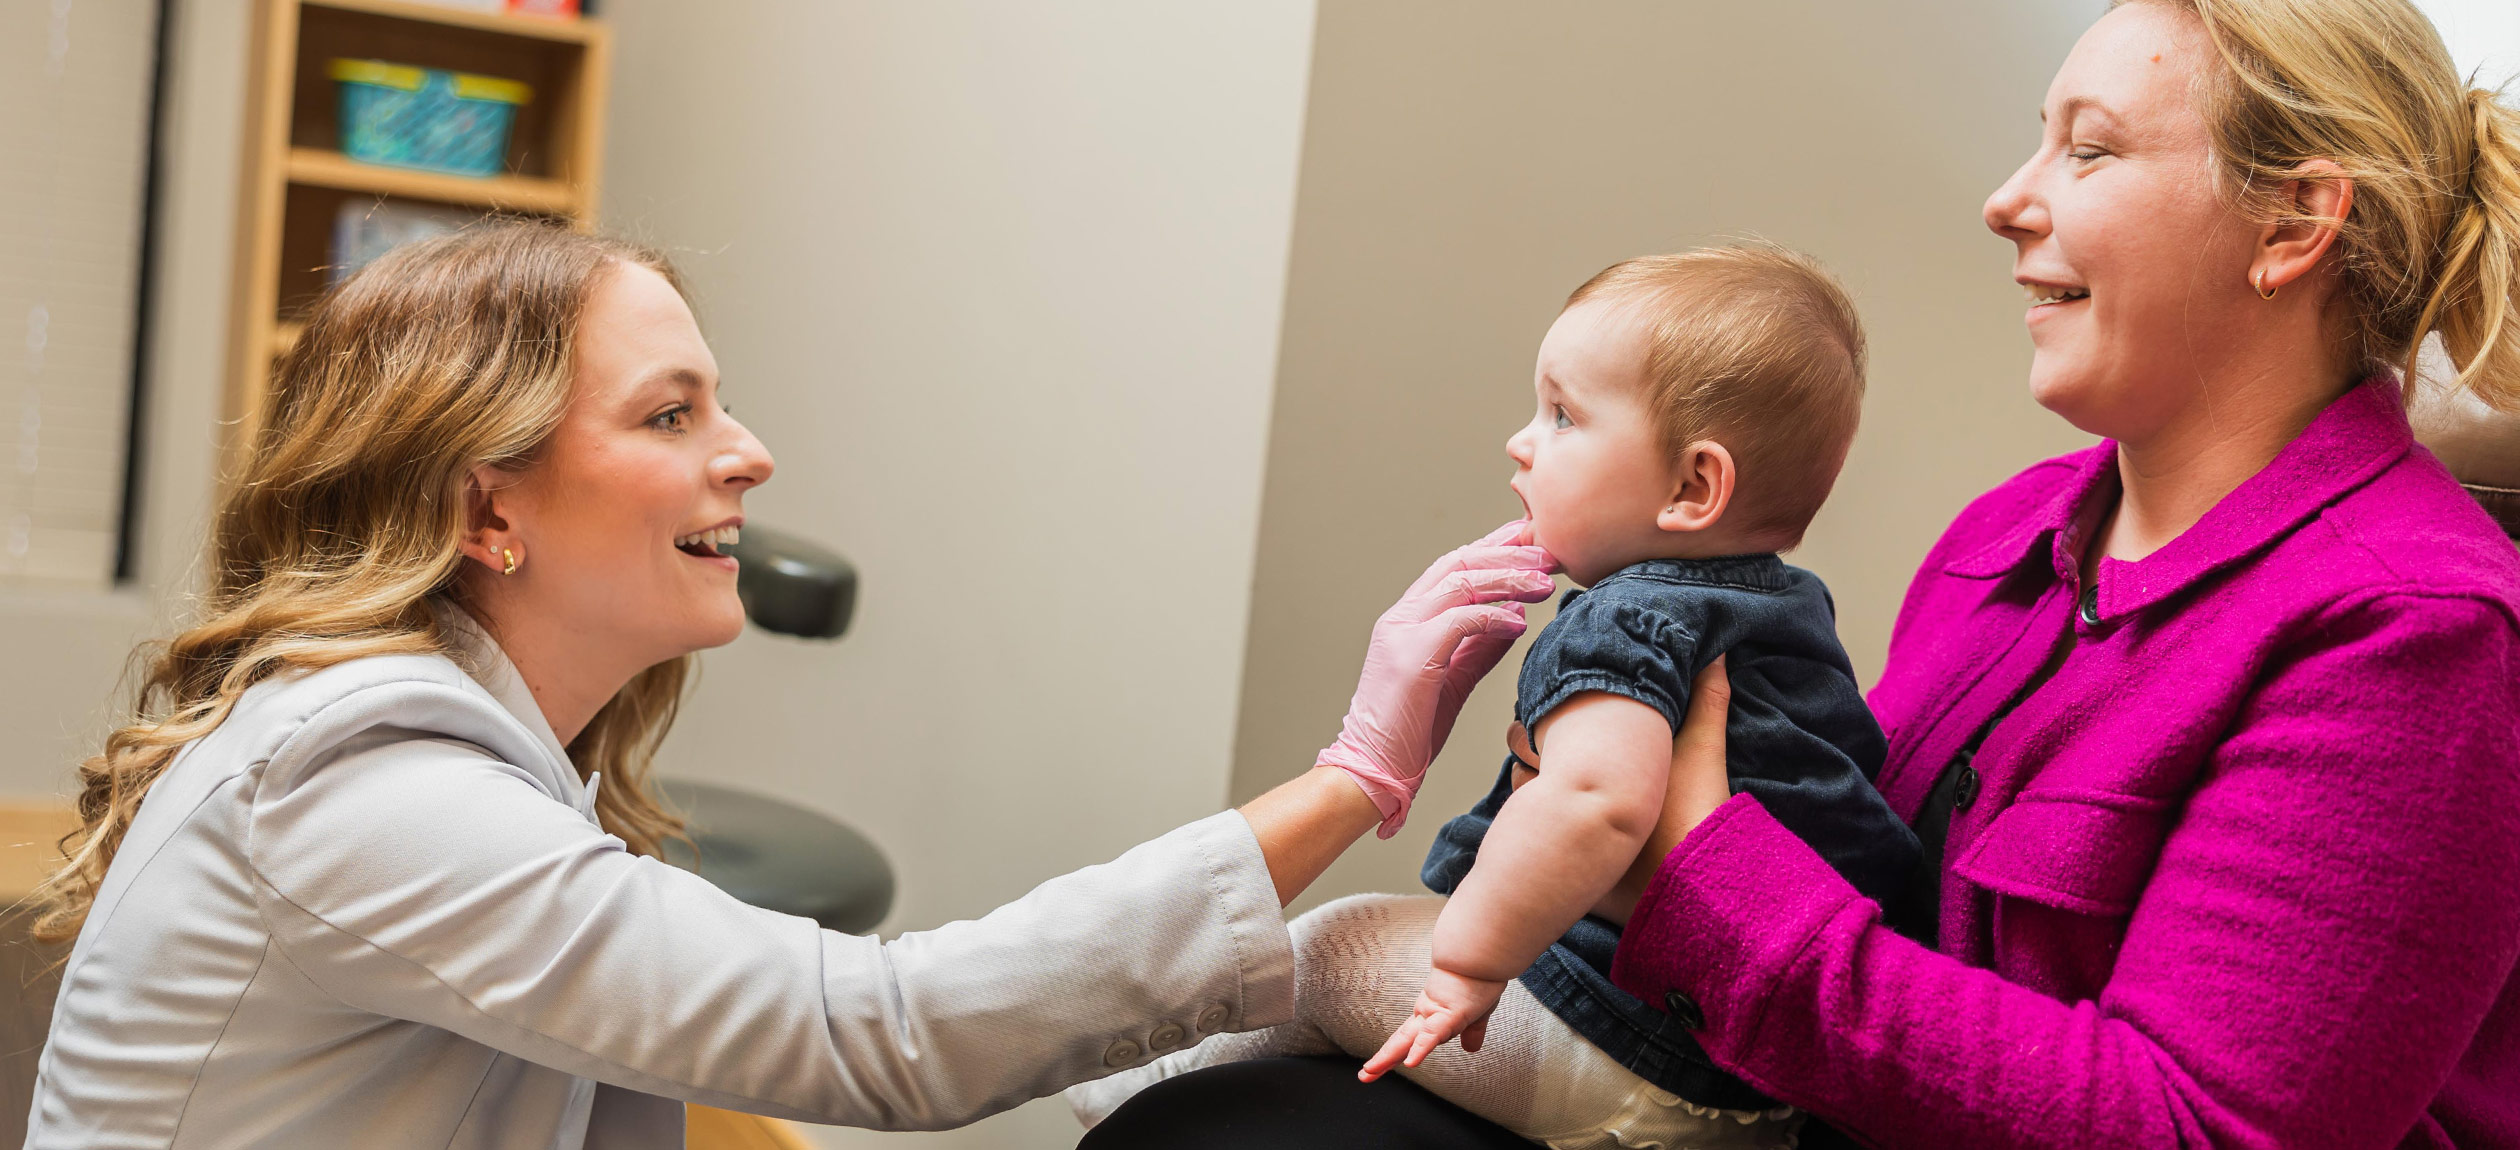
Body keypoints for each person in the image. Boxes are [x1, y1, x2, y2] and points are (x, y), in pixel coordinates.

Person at [1086, 0, 2520, 1145]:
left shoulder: (2421, 635)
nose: (2005, 201)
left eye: (2088, 151)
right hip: (1778, 1091)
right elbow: (1868, 874)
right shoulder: (2014, 534)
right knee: (1195, 1119)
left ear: (2293, 225)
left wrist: (1698, 865)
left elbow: (2203, 1125)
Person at [19, 223, 1564, 1148]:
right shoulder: (371, 796)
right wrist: (1355, 772)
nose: (746, 450)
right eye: (672, 411)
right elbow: (882, 1029)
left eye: (723, 400)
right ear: (487, 511)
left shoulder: (458, 751)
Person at [1069, 247, 1916, 1149]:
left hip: (1616, 1037)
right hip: (1751, 1066)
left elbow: (1596, 802)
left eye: (1562, 415)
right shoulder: (1789, 607)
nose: (1523, 440)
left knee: (1328, 950)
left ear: (1693, 487)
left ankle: (1122, 1089)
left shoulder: (1625, 619)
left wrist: (1471, 963)